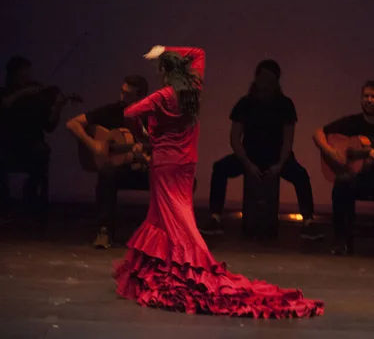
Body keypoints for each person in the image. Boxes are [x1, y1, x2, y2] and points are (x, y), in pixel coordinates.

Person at [113, 45, 323, 318]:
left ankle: (195, 263)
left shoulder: (163, 95)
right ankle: (163, 265)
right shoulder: (193, 88)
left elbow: (129, 114)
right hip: (186, 163)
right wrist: (164, 50)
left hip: (165, 164)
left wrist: (142, 135)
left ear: (166, 73)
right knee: (170, 215)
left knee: (174, 217)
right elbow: (198, 53)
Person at [201, 60, 321, 240]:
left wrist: (280, 164)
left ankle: (308, 221)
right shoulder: (245, 103)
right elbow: (235, 138)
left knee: (300, 175)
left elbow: (288, 139)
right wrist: (247, 163)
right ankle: (215, 217)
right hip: (250, 156)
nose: (266, 86)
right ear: (257, 79)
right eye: (263, 80)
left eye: (271, 82)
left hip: (277, 156)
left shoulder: (285, 104)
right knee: (220, 168)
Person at [313, 80, 374, 262]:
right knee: (342, 181)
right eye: (366, 96)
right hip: (358, 179)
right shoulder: (352, 122)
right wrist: (332, 152)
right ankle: (342, 240)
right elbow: (318, 132)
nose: (369, 100)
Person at [66, 75, 150, 248]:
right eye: (122, 92)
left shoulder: (149, 117)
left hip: (142, 170)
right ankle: (104, 232)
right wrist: (94, 145)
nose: (122, 97)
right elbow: (72, 124)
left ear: (140, 97)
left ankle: (162, 237)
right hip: (120, 170)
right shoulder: (112, 111)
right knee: (106, 173)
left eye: (127, 95)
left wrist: (145, 156)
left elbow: (155, 147)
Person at [0, 56, 68, 223]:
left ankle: (30, 196)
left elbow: (49, 126)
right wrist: (23, 93)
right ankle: (4, 206)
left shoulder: (36, 98)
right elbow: (4, 105)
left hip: (31, 144)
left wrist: (56, 108)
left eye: (28, 75)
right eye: (23, 75)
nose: (28, 78)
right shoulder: (5, 93)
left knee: (42, 152)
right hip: (8, 143)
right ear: (13, 75)